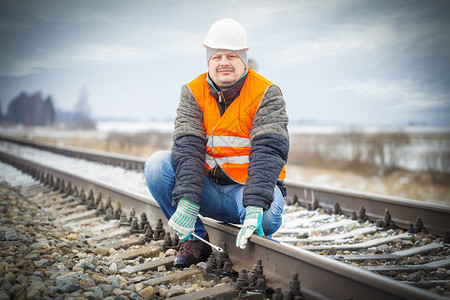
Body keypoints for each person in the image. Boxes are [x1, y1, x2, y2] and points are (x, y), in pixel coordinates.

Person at [144, 18, 289, 268]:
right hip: (206, 190)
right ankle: (196, 240)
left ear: (243, 59)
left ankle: (256, 234)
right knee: (157, 165)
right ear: (208, 60)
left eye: (232, 56)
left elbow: (269, 151)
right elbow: (188, 149)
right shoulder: (192, 91)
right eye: (217, 56)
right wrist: (188, 203)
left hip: (245, 194)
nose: (224, 62)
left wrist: (255, 203)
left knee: (266, 216)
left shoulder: (266, 93)